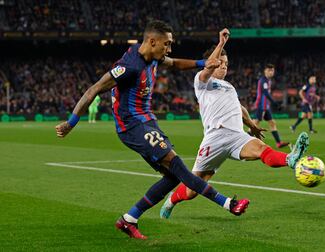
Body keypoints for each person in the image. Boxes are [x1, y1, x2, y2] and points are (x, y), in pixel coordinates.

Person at [55, 21, 250, 240]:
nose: (169, 49)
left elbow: (175, 63)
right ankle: (228, 204)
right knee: (179, 167)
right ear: (152, 41)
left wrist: (203, 62)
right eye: (166, 44)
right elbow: (94, 89)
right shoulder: (130, 66)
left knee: (172, 177)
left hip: (147, 122)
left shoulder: (154, 56)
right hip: (132, 126)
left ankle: (129, 219)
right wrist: (70, 123)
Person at [160, 31, 309, 219]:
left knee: (262, 150)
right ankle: (172, 200)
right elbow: (207, 68)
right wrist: (221, 43)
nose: (224, 67)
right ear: (212, 62)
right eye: (221, 63)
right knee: (192, 190)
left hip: (237, 136)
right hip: (214, 138)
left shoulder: (229, 86)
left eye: (227, 64)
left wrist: (252, 126)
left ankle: (290, 159)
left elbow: (239, 108)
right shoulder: (202, 81)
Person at [253, 64, 289, 148]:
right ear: (265, 71)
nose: (271, 72)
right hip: (261, 106)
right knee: (255, 125)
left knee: (272, 123)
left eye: (272, 70)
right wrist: (275, 103)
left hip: (266, 106)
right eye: (269, 70)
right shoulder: (263, 80)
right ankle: (244, 143)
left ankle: (279, 143)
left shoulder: (268, 81)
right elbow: (265, 93)